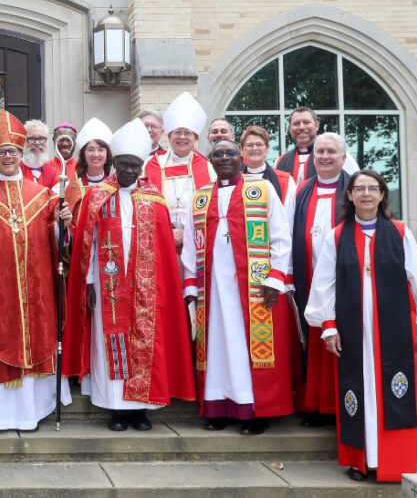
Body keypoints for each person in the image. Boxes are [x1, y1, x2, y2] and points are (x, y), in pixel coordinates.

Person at [63, 119, 195, 432]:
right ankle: (116, 410)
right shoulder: (97, 196)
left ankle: (140, 410)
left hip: (145, 285)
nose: (129, 171)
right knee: (111, 341)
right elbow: (87, 242)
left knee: (145, 341)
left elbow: (164, 250)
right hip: (106, 283)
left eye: (134, 166)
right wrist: (89, 282)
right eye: (123, 165)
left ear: (141, 167)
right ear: (114, 164)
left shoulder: (154, 199)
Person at [306, 170, 417, 483]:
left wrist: (416, 319)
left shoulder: (400, 232)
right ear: (349, 195)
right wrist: (329, 326)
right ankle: (362, 460)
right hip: (354, 331)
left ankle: (397, 461)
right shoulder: (337, 236)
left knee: (394, 390)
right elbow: (323, 284)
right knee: (359, 388)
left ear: (382, 194)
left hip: (392, 328)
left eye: (373, 188)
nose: (366, 194)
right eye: (359, 189)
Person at [0, 110, 72, 431]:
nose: (8, 157)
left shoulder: (43, 195)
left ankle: (33, 411)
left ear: (21, 154)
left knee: (37, 338)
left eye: (13, 152)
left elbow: (58, 241)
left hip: (37, 290)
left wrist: (62, 224)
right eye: (2, 152)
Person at [180, 139, 295, 435]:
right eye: (218, 154)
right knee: (216, 345)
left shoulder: (262, 189)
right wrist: (191, 285)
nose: (224, 158)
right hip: (212, 290)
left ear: (240, 157)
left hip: (253, 286)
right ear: (211, 161)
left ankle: (255, 410)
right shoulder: (200, 197)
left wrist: (275, 278)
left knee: (248, 348)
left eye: (230, 153)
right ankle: (218, 407)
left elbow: (281, 236)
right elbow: (190, 245)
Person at [291, 132, 352, 426]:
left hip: (345, 281)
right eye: (320, 152)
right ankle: (315, 405)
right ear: (313, 158)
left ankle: (341, 406)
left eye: (331, 152)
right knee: (313, 340)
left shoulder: (354, 189)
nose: (325, 157)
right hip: (308, 277)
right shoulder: (302, 189)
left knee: (342, 340)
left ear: (343, 157)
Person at [144, 92, 217, 251]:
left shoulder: (207, 167)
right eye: (177, 132)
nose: (182, 137)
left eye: (187, 133)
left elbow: (213, 208)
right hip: (159, 241)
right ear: (170, 135)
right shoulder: (151, 164)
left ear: (195, 137)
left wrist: (186, 233)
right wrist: (168, 233)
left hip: (195, 241)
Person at [275, 107, 359, 183]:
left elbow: (356, 184)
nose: (301, 127)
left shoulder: (339, 156)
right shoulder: (280, 161)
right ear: (290, 128)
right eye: (296, 123)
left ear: (316, 126)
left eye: (306, 122)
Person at [240, 126, 296, 226]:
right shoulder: (236, 181)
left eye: (259, 144)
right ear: (242, 150)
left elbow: (290, 218)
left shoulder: (285, 180)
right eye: (249, 145)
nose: (254, 148)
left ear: (267, 148)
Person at [21, 120, 60, 189]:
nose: (37, 143)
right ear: (23, 141)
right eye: (32, 138)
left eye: (41, 138)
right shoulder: (14, 170)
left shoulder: (54, 174)